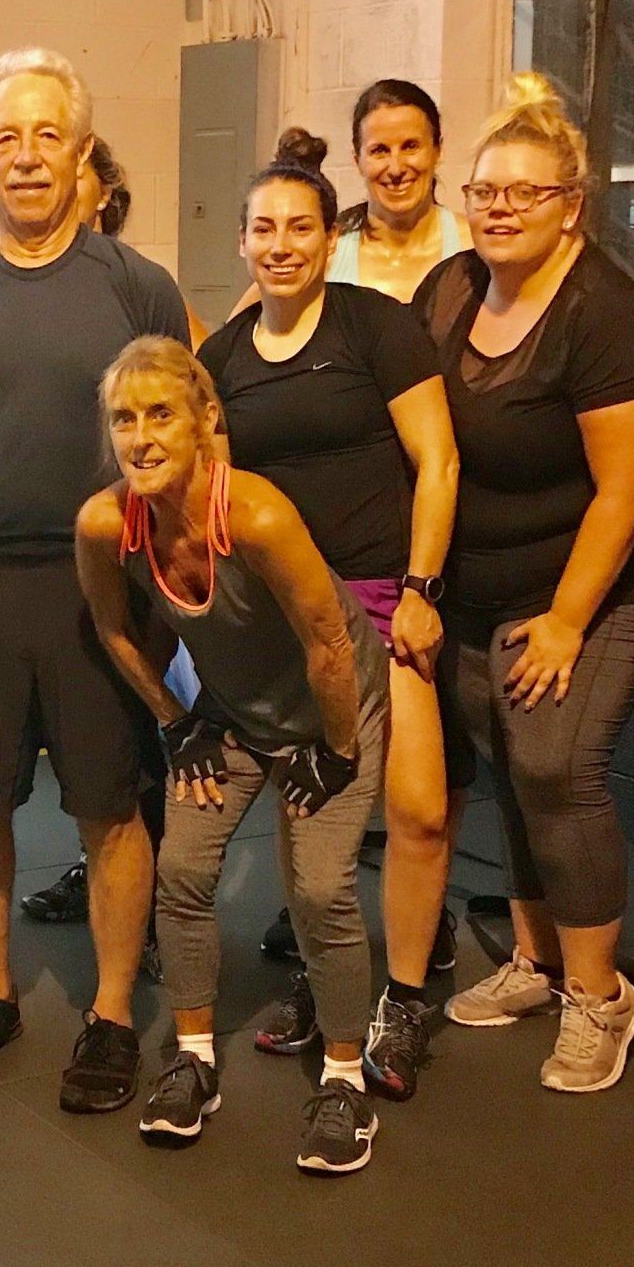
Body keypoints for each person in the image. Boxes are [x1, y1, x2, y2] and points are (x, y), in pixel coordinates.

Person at [0, 48, 190, 1108]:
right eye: (6, 138)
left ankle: (111, 1011)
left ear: (81, 152)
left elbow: (181, 444)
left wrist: (166, 598)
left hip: (100, 590)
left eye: (45, 135)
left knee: (110, 807)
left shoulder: (138, 286)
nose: (25, 156)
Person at [412, 73, 634, 1093]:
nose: (500, 209)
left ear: (572, 205)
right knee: (513, 766)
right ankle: (536, 959)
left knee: (559, 767)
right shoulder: (447, 289)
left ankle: (600, 997)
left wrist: (568, 620)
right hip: (479, 586)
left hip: (597, 588)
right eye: (485, 191)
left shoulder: (599, 312)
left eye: (525, 193)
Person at [76, 336, 390, 1172]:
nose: (139, 437)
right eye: (122, 419)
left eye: (159, 415)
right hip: (233, 714)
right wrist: (176, 719)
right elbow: (112, 628)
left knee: (320, 888)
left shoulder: (253, 513)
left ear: (205, 419)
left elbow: (329, 641)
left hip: (335, 707)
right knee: (181, 871)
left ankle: (345, 1076)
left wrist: (336, 748)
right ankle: (195, 1060)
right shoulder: (107, 522)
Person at [196, 129, 459, 1100]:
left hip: (386, 600)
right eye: (262, 228)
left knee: (421, 810)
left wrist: (425, 589)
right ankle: (330, 976)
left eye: (299, 227)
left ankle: (403, 998)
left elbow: (438, 459)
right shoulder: (222, 354)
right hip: (284, 616)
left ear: (328, 235)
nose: (280, 243)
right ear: (241, 242)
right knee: (315, 819)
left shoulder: (376, 328)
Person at [23, 132, 184, 936]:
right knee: (85, 746)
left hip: (132, 547)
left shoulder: (140, 291)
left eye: (80, 177)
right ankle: (100, 871)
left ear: (100, 196)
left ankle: (150, 914)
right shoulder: (21, 290)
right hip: (42, 556)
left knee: (134, 732)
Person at [231, 81, 469, 315]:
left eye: (410, 146)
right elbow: (227, 342)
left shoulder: (471, 246)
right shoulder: (326, 253)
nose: (396, 168)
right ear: (357, 160)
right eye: (379, 151)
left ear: (437, 150)